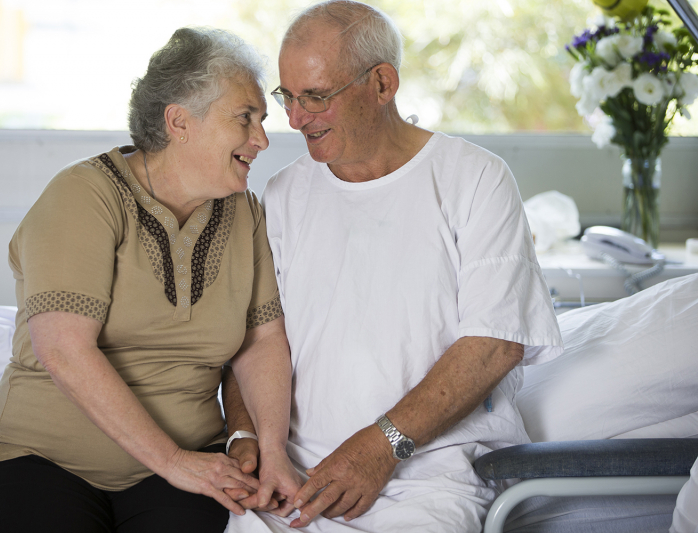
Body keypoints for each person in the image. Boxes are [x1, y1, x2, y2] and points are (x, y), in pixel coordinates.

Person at [224, 2, 564, 531]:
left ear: (383, 84)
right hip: (293, 478)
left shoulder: (474, 179)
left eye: (315, 96)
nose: (294, 119)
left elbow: (495, 343)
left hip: (428, 480)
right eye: (286, 98)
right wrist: (248, 440)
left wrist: (380, 448)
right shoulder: (284, 192)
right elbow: (250, 339)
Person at [0, 27, 297, 533]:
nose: (262, 140)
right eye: (245, 118)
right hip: (43, 460)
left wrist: (270, 451)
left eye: (262, 121)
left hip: (186, 463)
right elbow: (63, 349)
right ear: (179, 121)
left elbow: (262, 340)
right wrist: (173, 461)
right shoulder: (84, 195)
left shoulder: (244, 213)